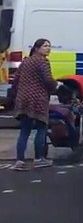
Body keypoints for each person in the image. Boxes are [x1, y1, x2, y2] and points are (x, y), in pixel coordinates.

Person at [10, 38, 58, 171]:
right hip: (37, 100)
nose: (48, 48)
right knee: (41, 128)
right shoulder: (43, 61)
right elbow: (48, 80)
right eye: (45, 46)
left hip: (23, 99)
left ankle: (19, 160)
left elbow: (16, 80)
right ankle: (39, 159)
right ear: (37, 48)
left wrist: (14, 96)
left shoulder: (26, 61)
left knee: (24, 131)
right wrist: (56, 86)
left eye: (49, 46)